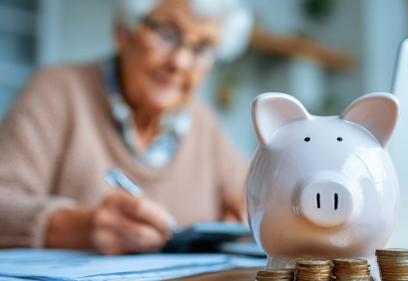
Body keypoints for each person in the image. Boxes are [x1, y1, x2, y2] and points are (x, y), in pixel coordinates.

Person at [0, 0, 248, 255]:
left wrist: (253, 211)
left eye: (203, 48)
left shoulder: (205, 124)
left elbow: (251, 196)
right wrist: (81, 227)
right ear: (123, 32)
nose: (180, 62)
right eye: (167, 34)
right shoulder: (56, 92)